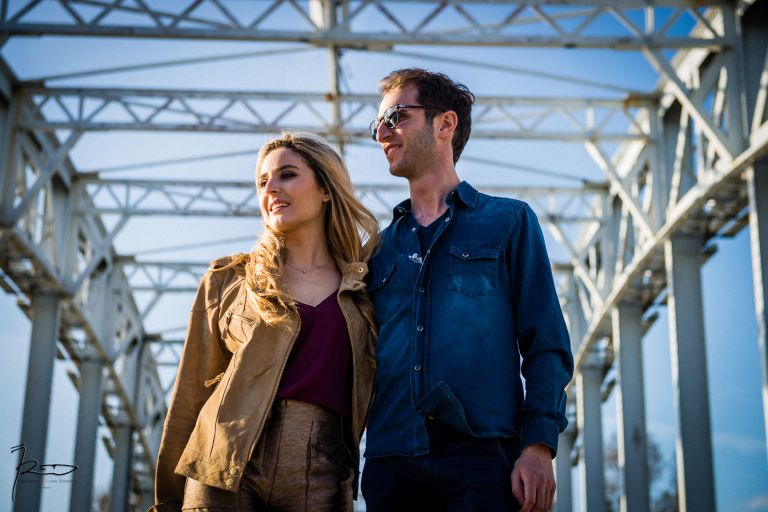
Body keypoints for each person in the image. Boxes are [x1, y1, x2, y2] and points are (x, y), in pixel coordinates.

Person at [361, 68, 574, 512]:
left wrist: (539, 446)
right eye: (377, 123)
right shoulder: (377, 250)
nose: (382, 132)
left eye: (396, 116)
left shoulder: (509, 222)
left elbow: (547, 343)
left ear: (445, 124)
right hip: (390, 460)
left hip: (483, 457)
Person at [151, 132, 380, 512]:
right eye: (262, 182)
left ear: (326, 189)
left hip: (324, 475)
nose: (270, 188)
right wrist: (166, 503)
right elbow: (188, 400)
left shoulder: (368, 288)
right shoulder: (227, 280)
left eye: (287, 174)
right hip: (223, 473)